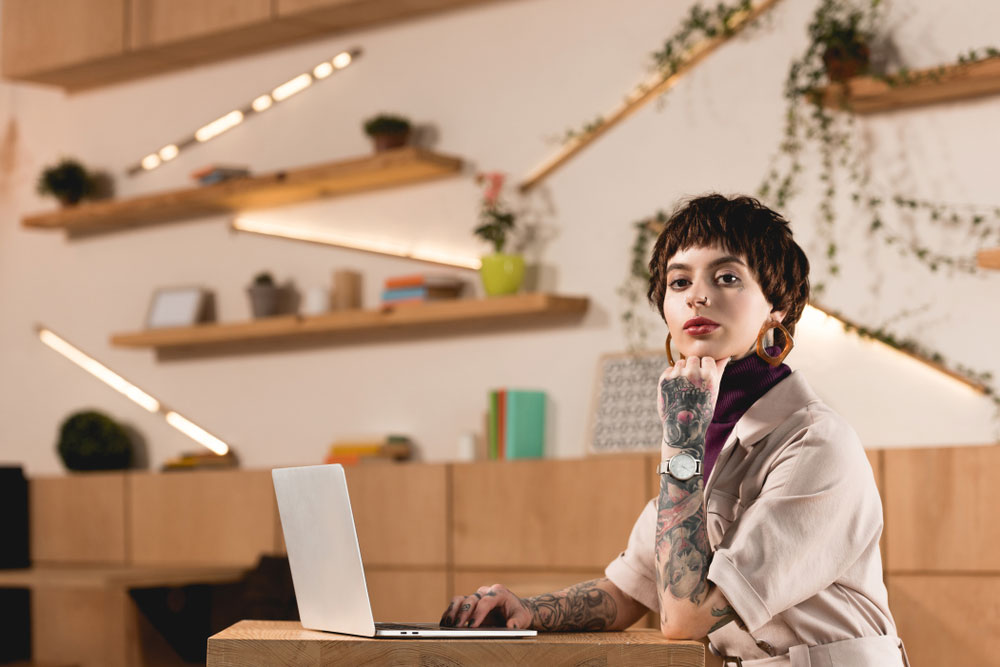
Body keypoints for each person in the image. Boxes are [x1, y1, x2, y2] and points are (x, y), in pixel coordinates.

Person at [440, 194, 910, 666]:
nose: (697, 296)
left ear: (778, 307)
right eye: (679, 281)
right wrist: (527, 610)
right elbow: (633, 589)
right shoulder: (709, 430)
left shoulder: (815, 442)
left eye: (726, 277)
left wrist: (680, 436)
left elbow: (684, 617)